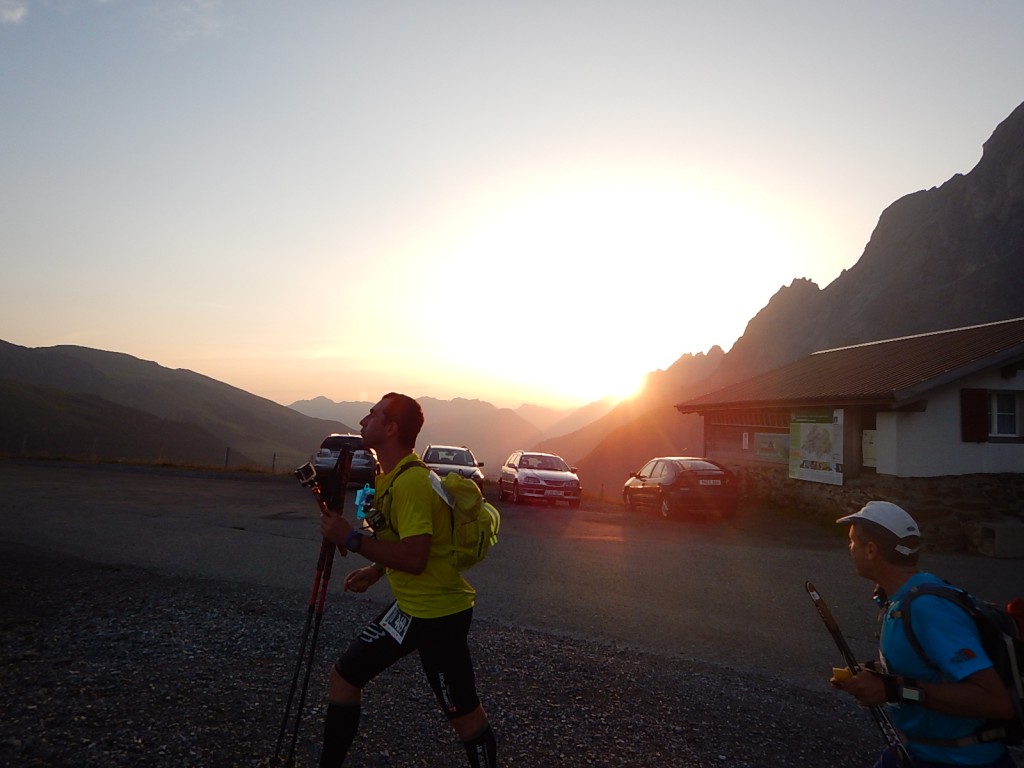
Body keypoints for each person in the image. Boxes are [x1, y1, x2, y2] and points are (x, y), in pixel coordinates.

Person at [317, 393, 497, 767]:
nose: (365, 419)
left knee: (465, 719)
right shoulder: (394, 476)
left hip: (438, 616)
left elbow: (415, 557)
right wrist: (375, 570)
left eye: (374, 414)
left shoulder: (412, 483)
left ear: (391, 427)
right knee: (344, 677)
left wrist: (351, 539)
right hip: (412, 609)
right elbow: (408, 542)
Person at [831, 500, 1017, 768]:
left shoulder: (927, 608)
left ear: (870, 550)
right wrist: (874, 674)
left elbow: (996, 703)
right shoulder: (903, 598)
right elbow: (928, 668)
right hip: (916, 752)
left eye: (852, 542)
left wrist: (892, 689)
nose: (849, 549)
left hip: (959, 761)